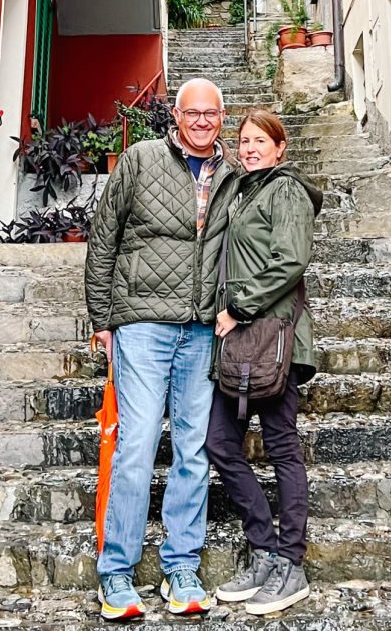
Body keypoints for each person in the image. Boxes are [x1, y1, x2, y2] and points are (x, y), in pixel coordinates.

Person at [85, 78, 238, 621]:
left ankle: (182, 568)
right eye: (192, 112)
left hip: (203, 331)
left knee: (194, 451)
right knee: (138, 444)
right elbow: (104, 237)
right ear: (175, 115)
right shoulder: (141, 159)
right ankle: (116, 575)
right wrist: (102, 318)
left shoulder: (235, 177)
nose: (201, 121)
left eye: (211, 113)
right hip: (143, 323)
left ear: (222, 117)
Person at [206, 108, 322, 616]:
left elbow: (290, 260)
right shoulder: (240, 190)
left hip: (277, 339)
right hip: (239, 345)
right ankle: (265, 549)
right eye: (245, 140)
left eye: (261, 141)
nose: (250, 147)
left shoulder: (286, 191)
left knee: (281, 447)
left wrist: (238, 306)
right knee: (219, 443)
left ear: (281, 148)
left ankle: (291, 564)